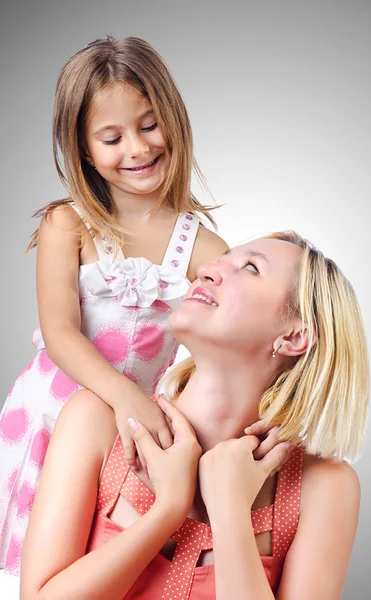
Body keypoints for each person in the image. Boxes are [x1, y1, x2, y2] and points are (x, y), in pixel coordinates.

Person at [21, 232, 370, 599]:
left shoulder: (323, 487)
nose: (207, 270)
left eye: (250, 268)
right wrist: (167, 509)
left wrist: (230, 510)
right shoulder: (97, 423)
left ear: (294, 337)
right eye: (222, 259)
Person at [0, 35, 228, 575]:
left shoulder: (203, 247)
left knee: (93, 560)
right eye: (112, 137)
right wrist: (124, 395)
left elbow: (234, 335)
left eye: (149, 125)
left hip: (127, 438)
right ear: (83, 149)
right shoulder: (68, 224)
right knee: (28, 552)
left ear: (172, 118)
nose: (138, 148)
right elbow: (61, 333)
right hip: (51, 418)